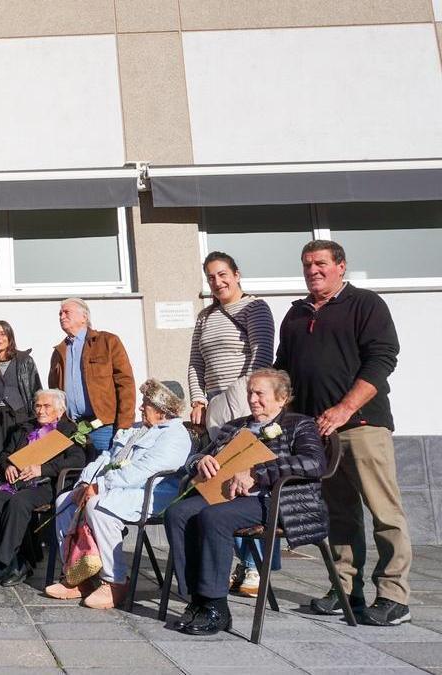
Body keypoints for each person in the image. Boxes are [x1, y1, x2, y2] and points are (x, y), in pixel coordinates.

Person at [275, 240, 408, 626]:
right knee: (338, 514)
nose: (313, 270)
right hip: (317, 435)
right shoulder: (295, 315)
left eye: (320, 263)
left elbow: (383, 359)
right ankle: (345, 587)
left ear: (340, 267)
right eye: (306, 264)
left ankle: (395, 596)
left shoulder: (366, 304)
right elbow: (284, 372)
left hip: (362, 426)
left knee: (384, 512)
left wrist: (345, 408)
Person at [165, 369, 326, 636]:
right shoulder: (235, 425)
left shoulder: (299, 424)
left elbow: (314, 462)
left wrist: (257, 473)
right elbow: (194, 457)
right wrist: (200, 462)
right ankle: (197, 599)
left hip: (271, 500)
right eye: (250, 392)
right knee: (178, 513)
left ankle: (216, 607)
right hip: (225, 495)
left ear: (281, 398)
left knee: (214, 518)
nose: (252, 399)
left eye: (259, 393)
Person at [47, 379, 190, 609]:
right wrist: (86, 480)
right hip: (118, 487)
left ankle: (114, 581)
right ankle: (78, 576)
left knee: (98, 506)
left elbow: (143, 471)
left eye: (146, 403)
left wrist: (100, 487)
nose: (141, 407)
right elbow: (106, 457)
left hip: (152, 492)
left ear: (164, 409)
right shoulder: (135, 429)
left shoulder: (175, 435)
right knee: (65, 501)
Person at [186, 251, 276, 597]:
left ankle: (255, 567)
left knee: (246, 482)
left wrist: (244, 396)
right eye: (211, 277)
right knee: (219, 485)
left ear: (236, 275)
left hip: (242, 396)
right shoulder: (205, 316)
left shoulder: (255, 308)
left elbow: (261, 353)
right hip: (215, 402)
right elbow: (196, 361)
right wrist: (199, 398)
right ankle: (237, 562)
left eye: (223, 274)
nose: (218, 282)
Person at [0, 389, 87, 588]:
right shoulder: (24, 429)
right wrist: (7, 465)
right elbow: (4, 454)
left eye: (46, 406)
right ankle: (18, 561)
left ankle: (0, 563)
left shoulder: (70, 431)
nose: (41, 410)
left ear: (60, 410)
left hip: (46, 485)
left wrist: (42, 468)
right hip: (15, 482)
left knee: (19, 502)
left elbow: (78, 460)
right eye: (38, 406)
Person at [47, 298, 135, 458]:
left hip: (103, 425)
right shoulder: (59, 351)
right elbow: (54, 391)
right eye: (60, 313)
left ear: (84, 317)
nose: (61, 316)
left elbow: (125, 383)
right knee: (76, 477)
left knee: (103, 475)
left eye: (67, 312)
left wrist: (124, 423)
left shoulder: (107, 341)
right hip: (72, 427)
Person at [0, 320, 42, 468]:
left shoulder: (25, 361)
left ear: (10, 337)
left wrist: (34, 419)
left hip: (19, 417)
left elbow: (36, 390)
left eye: (2, 334)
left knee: (18, 460)